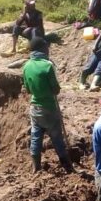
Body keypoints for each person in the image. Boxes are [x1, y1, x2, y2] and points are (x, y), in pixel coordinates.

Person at [22, 37, 75, 174]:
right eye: (46, 47)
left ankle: (36, 167)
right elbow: (56, 89)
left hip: (35, 108)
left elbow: (28, 90)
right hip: (49, 107)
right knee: (57, 137)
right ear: (42, 49)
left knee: (35, 136)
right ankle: (67, 166)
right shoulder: (48, 65)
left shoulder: (26, 66)